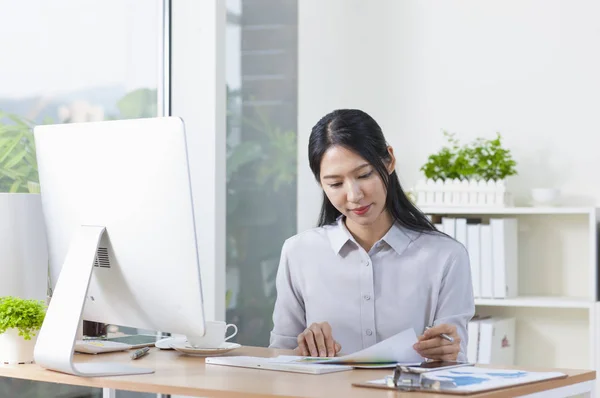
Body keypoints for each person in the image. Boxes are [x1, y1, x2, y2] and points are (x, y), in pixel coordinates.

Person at [269, 109, 475, 362]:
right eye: (335, 184)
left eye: (364, 175)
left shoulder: (446, 256)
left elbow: (454, 357)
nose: (354, 195)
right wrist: (303, 350)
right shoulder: (298, 252)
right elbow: (279, 356)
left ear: (388, 161)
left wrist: (446, 351)